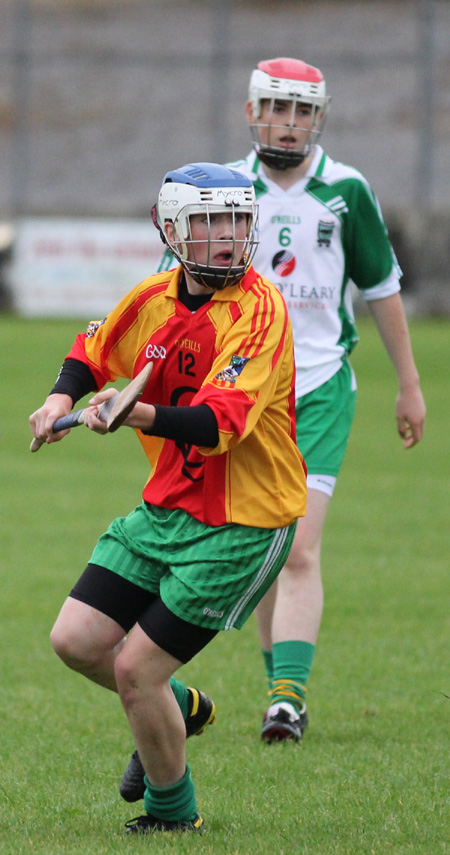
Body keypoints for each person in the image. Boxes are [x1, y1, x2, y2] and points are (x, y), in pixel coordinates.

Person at [29, 162, 307, 833]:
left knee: (134, 669)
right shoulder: (154, 296)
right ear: (174, 229)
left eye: (238, 221)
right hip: (169, 507)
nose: (227, 237)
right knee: (75, 639)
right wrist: (60, 396)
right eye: (210, 222)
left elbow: (217, 423)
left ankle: (172, 815)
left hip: (246, 519)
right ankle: (181, 708)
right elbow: (95, 349)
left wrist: (132, 411)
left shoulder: (260, 311)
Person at [222, 57, 425, 744]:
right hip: (246, 398)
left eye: (302, 111)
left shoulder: (346, 191)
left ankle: (287, 700)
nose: (289, 122)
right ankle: (279, 681)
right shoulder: (226, 192)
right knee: (263, 549)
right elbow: (174, 296)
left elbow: (381, 287)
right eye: (276, 108)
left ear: (319, 117)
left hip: (322, 391)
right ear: (252, 112)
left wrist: (410, 384)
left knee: (301, 546)